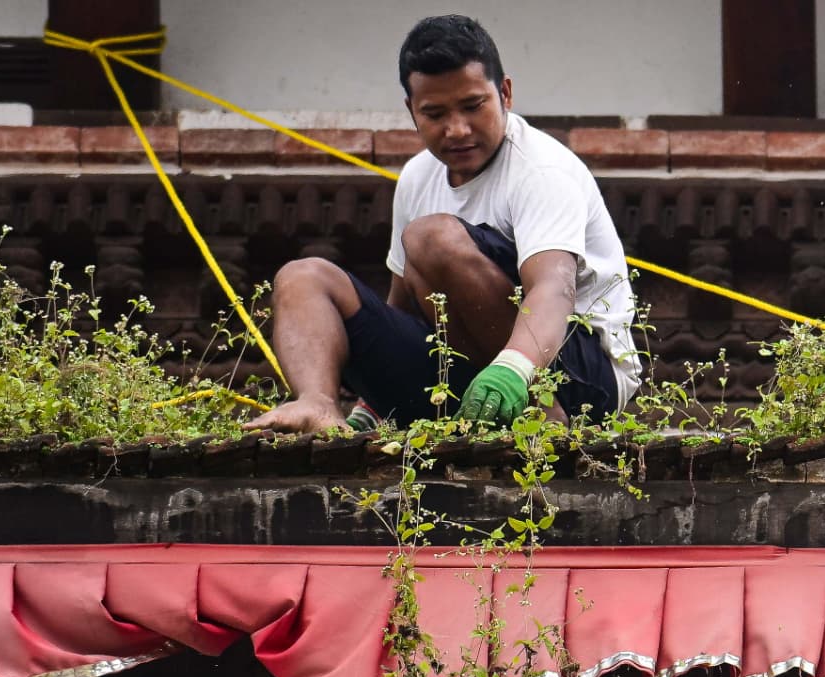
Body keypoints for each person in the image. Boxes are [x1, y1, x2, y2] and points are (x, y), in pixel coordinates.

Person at [244, 14, 640, 435]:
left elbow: (553, 289)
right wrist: (376, 402)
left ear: (504, 92)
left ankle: (541, 412)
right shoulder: (417, 177)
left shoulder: (542, 170)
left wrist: (514, 370)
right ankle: (317, 406)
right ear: (411, 111)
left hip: (575, 378)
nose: (456, 129)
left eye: (473, 106)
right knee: (303, 276)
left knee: (431, 238)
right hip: (466, 376)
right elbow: (401, 308)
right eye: (434, 113)